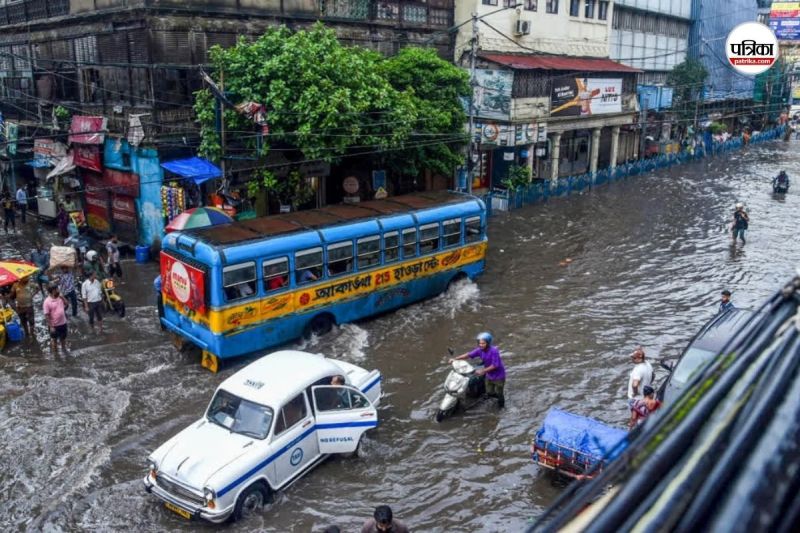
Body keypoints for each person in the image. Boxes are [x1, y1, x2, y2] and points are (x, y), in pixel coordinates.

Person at [451, 331, 507, 409]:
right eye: (480, 343)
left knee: (499, 393)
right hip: (489, 374)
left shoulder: (494, 351)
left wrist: (482, 371)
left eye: (483, 343)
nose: (481, 345)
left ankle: (502, 407)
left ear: (488, 343)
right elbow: (468, 355)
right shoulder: (479, 350)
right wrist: (455, 359)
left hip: (498, 376)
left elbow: (495, 365)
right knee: (489, 392)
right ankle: (492, 396)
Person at [43, 285, 69, 356]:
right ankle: (56, 355)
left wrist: (62, 297)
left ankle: (64, 351)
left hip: (63, 323)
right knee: (54, 340)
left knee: (63, 339)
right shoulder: (47, 302)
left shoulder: (60, 298)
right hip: (54, 325)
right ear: (52, 291)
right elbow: (46, 315)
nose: (58, 290)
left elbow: (67, 305)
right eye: (57, 289)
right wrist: (51, 327)